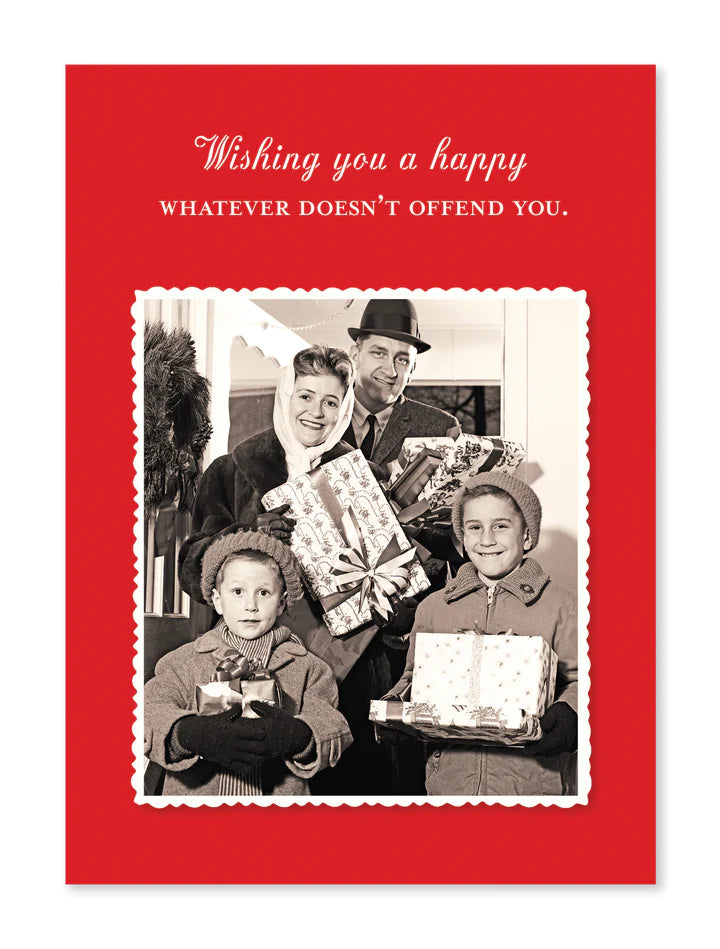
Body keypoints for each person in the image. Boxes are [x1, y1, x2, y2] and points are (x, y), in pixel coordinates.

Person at [178, 344, 400, 795]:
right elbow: (192, 570)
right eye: (305, 396)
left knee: (349, 794)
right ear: (285, 395)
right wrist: (244, 535)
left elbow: (396, 574)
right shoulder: (229, 471)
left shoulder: (367, 475)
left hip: (352, 666)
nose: (317, 412)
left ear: (344, 407)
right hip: (251, 659)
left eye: (331, 401)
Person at [386, 471, 578, 796]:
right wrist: (395, 706)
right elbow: (413, 677)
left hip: (531, 784)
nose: (486, 539)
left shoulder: (562, 605)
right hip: (448, 783)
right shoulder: (434, 607)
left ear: (527, 536)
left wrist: (571, 711)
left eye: (500, 526)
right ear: (461, 539)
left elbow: (586, 679)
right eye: (474, 527)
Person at [145, 531, 353, 795]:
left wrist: (297, 735)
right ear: (218, 601)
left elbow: (334, 726)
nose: (251, 605)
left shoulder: (310, 669)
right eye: (237, 591)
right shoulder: (182, 662)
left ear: (281, 603)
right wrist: (188, 733)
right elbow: (147, 711)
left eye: (264, 592)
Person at [343, 298, 461, 475]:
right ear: (355, 356)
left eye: (402, 360)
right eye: (379, 353)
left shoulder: (442, 429)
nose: (390, 371)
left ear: (412, 369)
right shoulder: (316, 415)